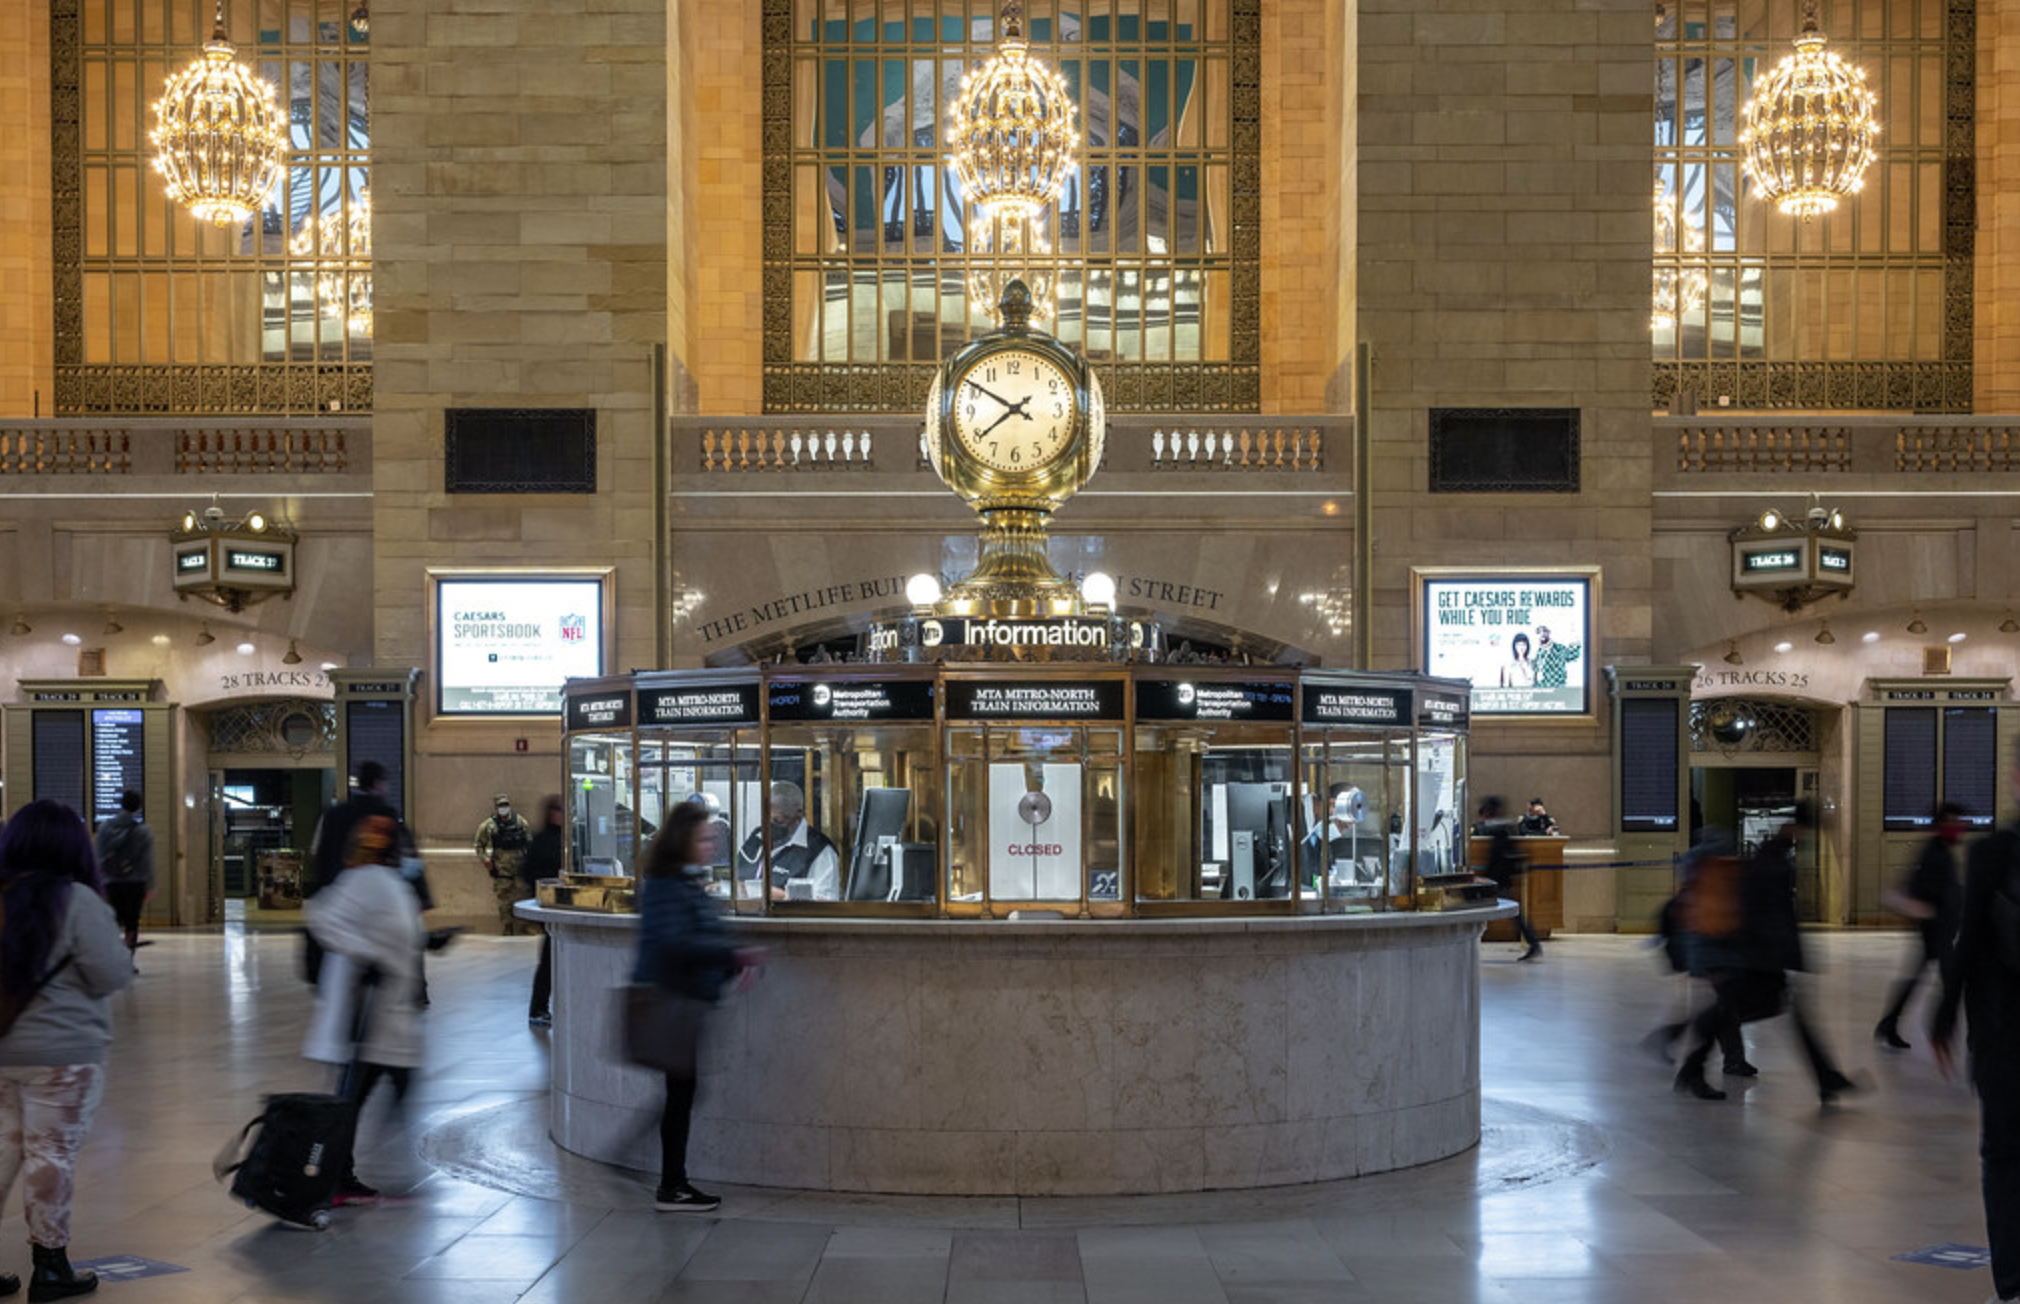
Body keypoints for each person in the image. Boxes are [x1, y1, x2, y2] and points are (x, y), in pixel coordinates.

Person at [0, 800, 134, 1300]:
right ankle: (50, 1264)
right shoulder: (77, 901)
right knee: (50, 1153)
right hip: (63, 1055)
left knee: (4, 1147)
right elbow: (112, 974)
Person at [1673, 802, 1855, 1104]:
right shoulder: (1773, 861)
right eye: (1808, 831)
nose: (1807, 838)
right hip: (1760, 958)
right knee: (1729, 1013)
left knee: (1738, 1013)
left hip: (1760, 956)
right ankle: (1689, 1058)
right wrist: (1779, 956)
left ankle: (1826, 1078)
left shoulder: (1771, 854)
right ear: (1797, 828)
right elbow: (1770, 915)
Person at [635, 803, 763, 1213]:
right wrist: (735, 956)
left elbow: (696, 937)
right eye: (703, 839)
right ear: (682, 841)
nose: (710, 847)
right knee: (681, 1091)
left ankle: (666, 1178)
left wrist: (731, 962)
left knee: (682, 1091)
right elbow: (677, 943)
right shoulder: (667, 885)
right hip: (673, 999)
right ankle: (669, 1184)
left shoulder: (684, 882)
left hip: (687, 998)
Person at [1933, 750, 2020, 1304]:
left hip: (2005, 1032)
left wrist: (1944, 1015)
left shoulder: (1994, 852)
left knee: (2005, 1154)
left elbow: (1968, 943)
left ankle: (2012, 1285)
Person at [303, 815, 426, 1205]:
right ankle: (332, 1175)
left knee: (366, 1093)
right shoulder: (363, 880)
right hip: (365, 1015)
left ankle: (341, 1173)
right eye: (401, 848)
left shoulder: (389, 884)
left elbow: (398, 933)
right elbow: (321, 917)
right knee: (354, 1097)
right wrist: (366, 956)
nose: (408, 856)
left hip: (386, 1014)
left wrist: (430, 943)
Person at [1874, 801, 1966, 1050]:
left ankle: (1889, 1023)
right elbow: (1923, 886)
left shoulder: (1941, 850)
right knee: (1950, 980)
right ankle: (1949, 1033)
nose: (1957, 827)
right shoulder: (1934, 852)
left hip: (1940, 926)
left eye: (1958, 822)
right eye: (1952, 822)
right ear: (1941, 824)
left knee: (1918, 978)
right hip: (1936, 927)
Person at [307, 762, 398, 900]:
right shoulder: (385, 815)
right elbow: (396, 857)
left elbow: (321, 855)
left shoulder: (334, 813)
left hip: (339, 893)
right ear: (377, 783)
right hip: (374, 896)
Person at [736, 781, 838, 901]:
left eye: (778, 820)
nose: (770, 826)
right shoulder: (758, 836)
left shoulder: (820, 851)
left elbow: (826, 902)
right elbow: (738, 874)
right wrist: (725, 887)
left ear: (798, 816)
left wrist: (785, 897)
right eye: (765, 819)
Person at [520, 795, 565, 1029]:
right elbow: (528, 872)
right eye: (558, 809)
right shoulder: (542, 840)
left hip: (559, 905)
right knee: (548, 961)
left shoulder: (568, 838)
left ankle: (546, 1006)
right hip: (550, 905)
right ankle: (538, 1008)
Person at [1478, 796, 1541, 961]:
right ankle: (1533, 943)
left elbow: (1497, 859)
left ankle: (1534, 943)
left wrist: (1488, 878)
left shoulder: (1498, 832)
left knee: (1513, 915)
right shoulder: (1503, 830)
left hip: (1499, 881)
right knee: (1515, 915)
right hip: (1501, 880)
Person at [91, 791, 153, 957]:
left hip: (112, 882)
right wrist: (149, 885)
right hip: (135, 883)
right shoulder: (143, 832)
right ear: (139, 806)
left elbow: (99, 856)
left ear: (121, 804)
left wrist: (99, 880)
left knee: (113, 920)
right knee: (132, 922)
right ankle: (127, 959)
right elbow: (146, 862)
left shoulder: (105, 828)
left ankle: (111, 957)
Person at [475, 794, 533, 934]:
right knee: (504, 901)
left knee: (526, 898)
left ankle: (529, 926)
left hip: (519, 868)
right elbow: (479, 845)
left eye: (505, 805)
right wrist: (486, 860)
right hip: (502, 870)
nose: (504, 808)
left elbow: (530, 842)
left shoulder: (520, 821)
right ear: (496, 807)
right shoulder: (488, 825)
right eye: (501, 806)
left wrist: (529, 861)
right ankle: (508, 927)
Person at [1531, 624, 1583, 690]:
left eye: (1544, 631)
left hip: (1558, 691)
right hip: (1543, 691)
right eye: (1539, 632)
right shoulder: (1538, 652)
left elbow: (1573, 655)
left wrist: (1576, 643)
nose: (1542, 634)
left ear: (1549, 633)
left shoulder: (1559, 649)